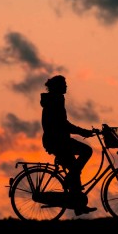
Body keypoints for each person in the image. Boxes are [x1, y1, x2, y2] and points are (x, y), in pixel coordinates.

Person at [40, 75, 97, 216]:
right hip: (57, 141)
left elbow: (63, 124)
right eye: (64, 84)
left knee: (74, 169)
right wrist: (84, 132)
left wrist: (82, 132)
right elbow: (63, 124)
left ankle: (78, 205)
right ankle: (70, 181)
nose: (66, 86)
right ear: (58, 87)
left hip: (58, 140)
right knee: (86, 151)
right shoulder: (55, 100)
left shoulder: (55, 99)